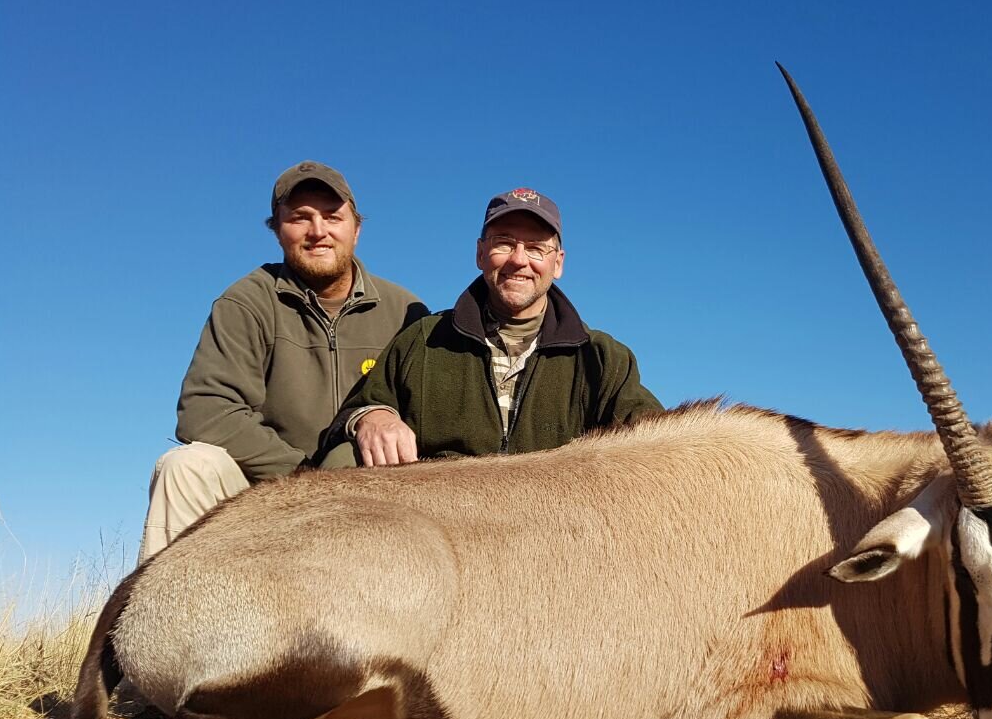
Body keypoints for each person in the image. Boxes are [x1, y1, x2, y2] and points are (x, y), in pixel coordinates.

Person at [140, 161, 427, 561]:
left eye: (332, 217)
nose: (318, 232)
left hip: (373, 500)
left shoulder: (407, 311)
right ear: (277, 230)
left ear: (356, 229)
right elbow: (205, 411)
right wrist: (303, 479)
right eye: (300, 218)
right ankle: (161, 619)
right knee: (185, 468)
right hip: (269, 492)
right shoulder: (246, 301)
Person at [319, 187, 661, 467]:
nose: (519, 259)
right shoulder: (422, 340)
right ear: (481, 254)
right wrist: (372, 417)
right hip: (443, 533)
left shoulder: (603, 359)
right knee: (344, 458)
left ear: (557, 264)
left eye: (536, 248)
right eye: (504, 242)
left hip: (557, 535)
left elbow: (656, 435)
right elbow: (354, 410)